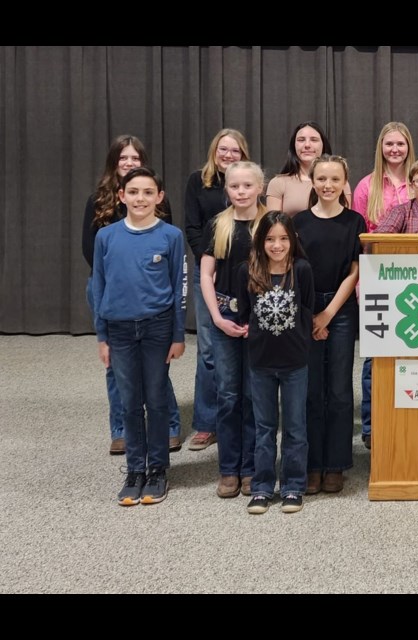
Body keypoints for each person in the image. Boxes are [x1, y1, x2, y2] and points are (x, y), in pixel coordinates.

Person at [91, 167, 187, 506]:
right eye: (133, 192)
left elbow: (178, 288)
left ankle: (158, 468)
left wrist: (178, 333)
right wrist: (102, 335)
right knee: (129, 402)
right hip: (118, 329)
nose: (140, 198)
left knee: (157, 399)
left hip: (157, 328)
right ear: (121, 196)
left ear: (159, 197)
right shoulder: (106, 236)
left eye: (148, 192)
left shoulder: (171, 236)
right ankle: (135, 469)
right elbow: (99, 286)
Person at [82, 135, 182, 455]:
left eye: (135, 158)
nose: (128, 162)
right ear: (114, 163)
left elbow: (169, 254)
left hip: (152, 299)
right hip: (112, 291)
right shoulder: (98, 200)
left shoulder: (156, 201)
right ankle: (122, 430)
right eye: (123, 158)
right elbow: (92, 250)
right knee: (117, 368)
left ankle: (168, 427)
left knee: (156, 370)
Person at [294, 155, 366, 495]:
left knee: (338, 389)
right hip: (305, 308)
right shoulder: (298, 223)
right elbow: (293, 270)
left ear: (344, 182)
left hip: (341, 310)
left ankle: (335, 464)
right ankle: (312, 463)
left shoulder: (355, 221)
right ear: (312, 180)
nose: (327, 185)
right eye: (321, 178)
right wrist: (311, 314)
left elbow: (355, 271)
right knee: (311, 389)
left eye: (334, 179)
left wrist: (328, 314)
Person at [238, 211, 315, 515]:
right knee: (265, 427)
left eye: (283, 238)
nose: (277, 245)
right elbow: (245, 315)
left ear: (293, 240)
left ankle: (294, 484)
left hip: (295, 362)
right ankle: (262, 487)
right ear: (260, 241)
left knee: (295, 427)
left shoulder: (303, 270)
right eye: (270, 239)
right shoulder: (248, 271)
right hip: (260, 363)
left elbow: (307, 310)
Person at [200, 160, 268, 499]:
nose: (241, 192)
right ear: (226, 189)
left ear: (260, 187)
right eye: (234, 186)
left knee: (254, 396)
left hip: (261, 319)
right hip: (225, 317)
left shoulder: (270, 224)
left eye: (247, 186)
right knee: (228, 396)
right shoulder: (219, 225)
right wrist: (216, 317)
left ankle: (252, 468)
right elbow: (205, 275)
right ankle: (229, 468)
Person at [183, 128, 253, 452]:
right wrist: (210, 259)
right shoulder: (198, 181)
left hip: (244, 274)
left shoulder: (249, 186)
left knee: (245, 349)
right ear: (214, 151)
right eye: (223, 149)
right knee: (209, 348)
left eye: (235, 150)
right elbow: (193, 227)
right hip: (210, 270)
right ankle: (206, 423)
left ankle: (243, 422)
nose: (228, 155)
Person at [353, 122, 416, 449]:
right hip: (377, 276)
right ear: (381, 147)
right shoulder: (366, 185)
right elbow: (358, 236)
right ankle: (372, 425)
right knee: (376, 355)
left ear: (408, 147)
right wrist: (361, 280)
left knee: (411, 349)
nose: (395, 149)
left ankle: (405, 418)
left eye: (400, 144)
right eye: (389, 144)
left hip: (414, 280)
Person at [265, 121, 351, 216]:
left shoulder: (341, 183)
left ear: (323, 144)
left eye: (314, 140)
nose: (307, 145)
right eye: (301, 140)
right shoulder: (278, 183)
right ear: (294, 145)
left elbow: (346, 220)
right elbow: (273, 227)